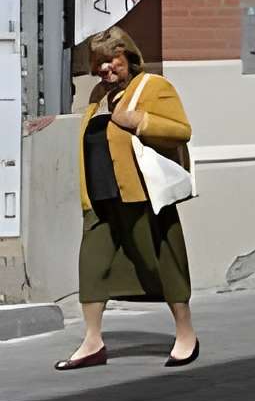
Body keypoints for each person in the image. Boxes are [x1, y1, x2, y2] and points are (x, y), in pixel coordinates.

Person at [56, 27, 199, 372]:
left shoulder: (153, 87)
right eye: (99, 63)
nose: (105, 68)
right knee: (92, 267)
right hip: (100, 198)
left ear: (128, 57)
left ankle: (186, 334)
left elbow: (181, 130)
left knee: (162, 262)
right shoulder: (98, 94)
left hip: (141, 196)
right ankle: (92, 342)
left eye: (111, 60)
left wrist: (137, 120)